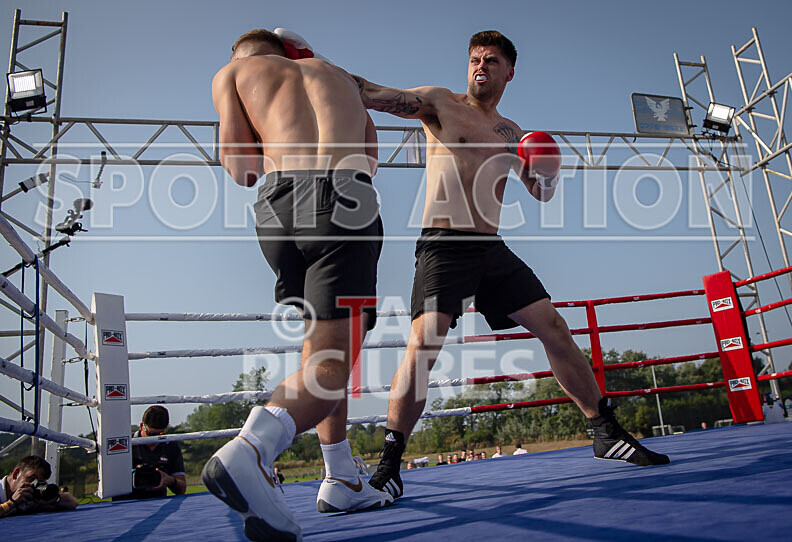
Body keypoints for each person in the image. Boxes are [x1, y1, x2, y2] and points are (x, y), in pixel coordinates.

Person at [352, 30, 670, 500]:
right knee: (423, 345)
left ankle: (605, 433)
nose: (480, 65)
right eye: (475, 58)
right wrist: (316, 68)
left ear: (509, 72)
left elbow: (540, 193)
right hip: (443, 245)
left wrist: (548, 172)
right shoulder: (440, 103)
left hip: (491, 248)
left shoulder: (514, 133)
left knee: (555, 328)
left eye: (492, 59)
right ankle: (390, 463)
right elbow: (376, 94)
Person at [203, 28, 390, 541]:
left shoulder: (233, 74)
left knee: (321, 355)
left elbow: (241, 168)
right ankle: (250, 449)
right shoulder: (338, 78)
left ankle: (342, 477)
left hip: (276, 206)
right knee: (333, 362)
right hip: (345, 196)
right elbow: (369, 158)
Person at [122, 405, 186, 500]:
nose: (154, 438)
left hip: (159, 502)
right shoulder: (125, 444)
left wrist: (170, 481)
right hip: (126, 503)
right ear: (141, 426)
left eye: (160, 434)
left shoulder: (170, 446)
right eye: (151, 434)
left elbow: (181, 489)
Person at [0, 455, 77, 520]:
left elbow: (72, 502)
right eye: (31, 478)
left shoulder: (31, 498)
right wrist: (10, 504)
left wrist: (52, 499)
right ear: (16, 474)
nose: (33, 485)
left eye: (39, 482)